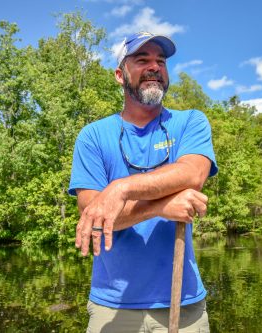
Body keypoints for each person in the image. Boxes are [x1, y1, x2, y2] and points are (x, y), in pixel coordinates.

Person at [68, 31, 218, 332]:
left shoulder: (190, 121)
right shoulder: (93, 136)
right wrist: (161, 206)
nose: (155, 67)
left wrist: (120, 188)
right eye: (142, 60)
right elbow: (94, 217)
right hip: (112, 308)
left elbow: (193, 173)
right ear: (120, 75)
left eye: (161, 61)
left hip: (183, 305)